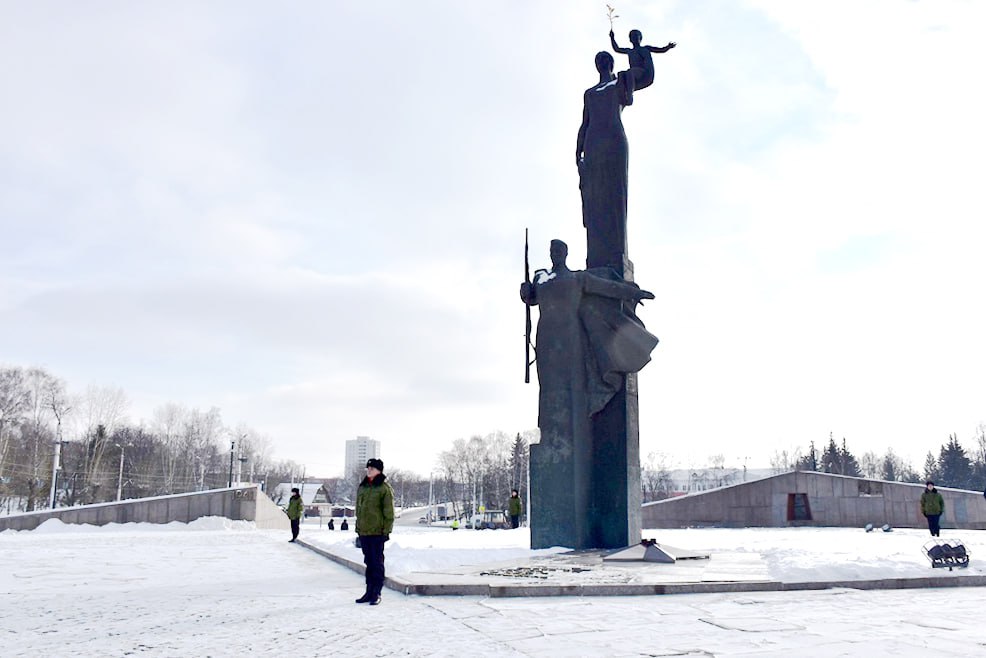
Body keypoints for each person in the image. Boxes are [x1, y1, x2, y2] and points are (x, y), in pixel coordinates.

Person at [520, 239, 657, 548]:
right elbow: (529, 297)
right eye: (553, 251)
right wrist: (525, 291)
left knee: (572, 390)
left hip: (570, 337)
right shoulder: (542, 278)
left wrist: (634, 292)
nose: (556, 255)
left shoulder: (578, 278)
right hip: (546, 337)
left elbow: (608, 289)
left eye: (560, 251)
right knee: (549, 392)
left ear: (565, 254)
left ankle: (573, 423)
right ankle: (554, 431)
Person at [576, 51, 635, 271]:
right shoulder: (590, 94)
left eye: (604, 61)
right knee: (595, 198)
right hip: (593, 145)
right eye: (597, 62)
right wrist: (578, 149)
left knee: (614, 195)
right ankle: (596, 256)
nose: (601, 64)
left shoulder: (618, 83)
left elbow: (629, 98)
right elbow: (585, 122)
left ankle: (616, 254)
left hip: (614, 140)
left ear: (610, 63)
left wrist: (628, 75)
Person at [355, 458, 394, 605]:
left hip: (378, 532)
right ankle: (368, 591)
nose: (369, 470)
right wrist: (358, 528)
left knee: (377, 564)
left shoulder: (384, 488)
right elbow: (359, 509)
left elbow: (389, 513)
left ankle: (376, 593)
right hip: (364, 532)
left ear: (379, 470)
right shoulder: (363, 487)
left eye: (372, 468)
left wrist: (386, 531)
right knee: (369, 563)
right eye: (368, 468)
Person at [609, 29, 675, 92]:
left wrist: (668, 47)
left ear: (640, 38)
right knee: (621, 74)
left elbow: (660, 50)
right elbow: (617, 49)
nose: (634, 38)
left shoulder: (645, 48)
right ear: (630, 40)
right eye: (632, 36)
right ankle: (622, 92)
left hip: (644, 73)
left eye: (636, 36)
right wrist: (612, 38)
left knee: (630, 72)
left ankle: (629, 95)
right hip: (634, 75)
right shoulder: (629, 51)